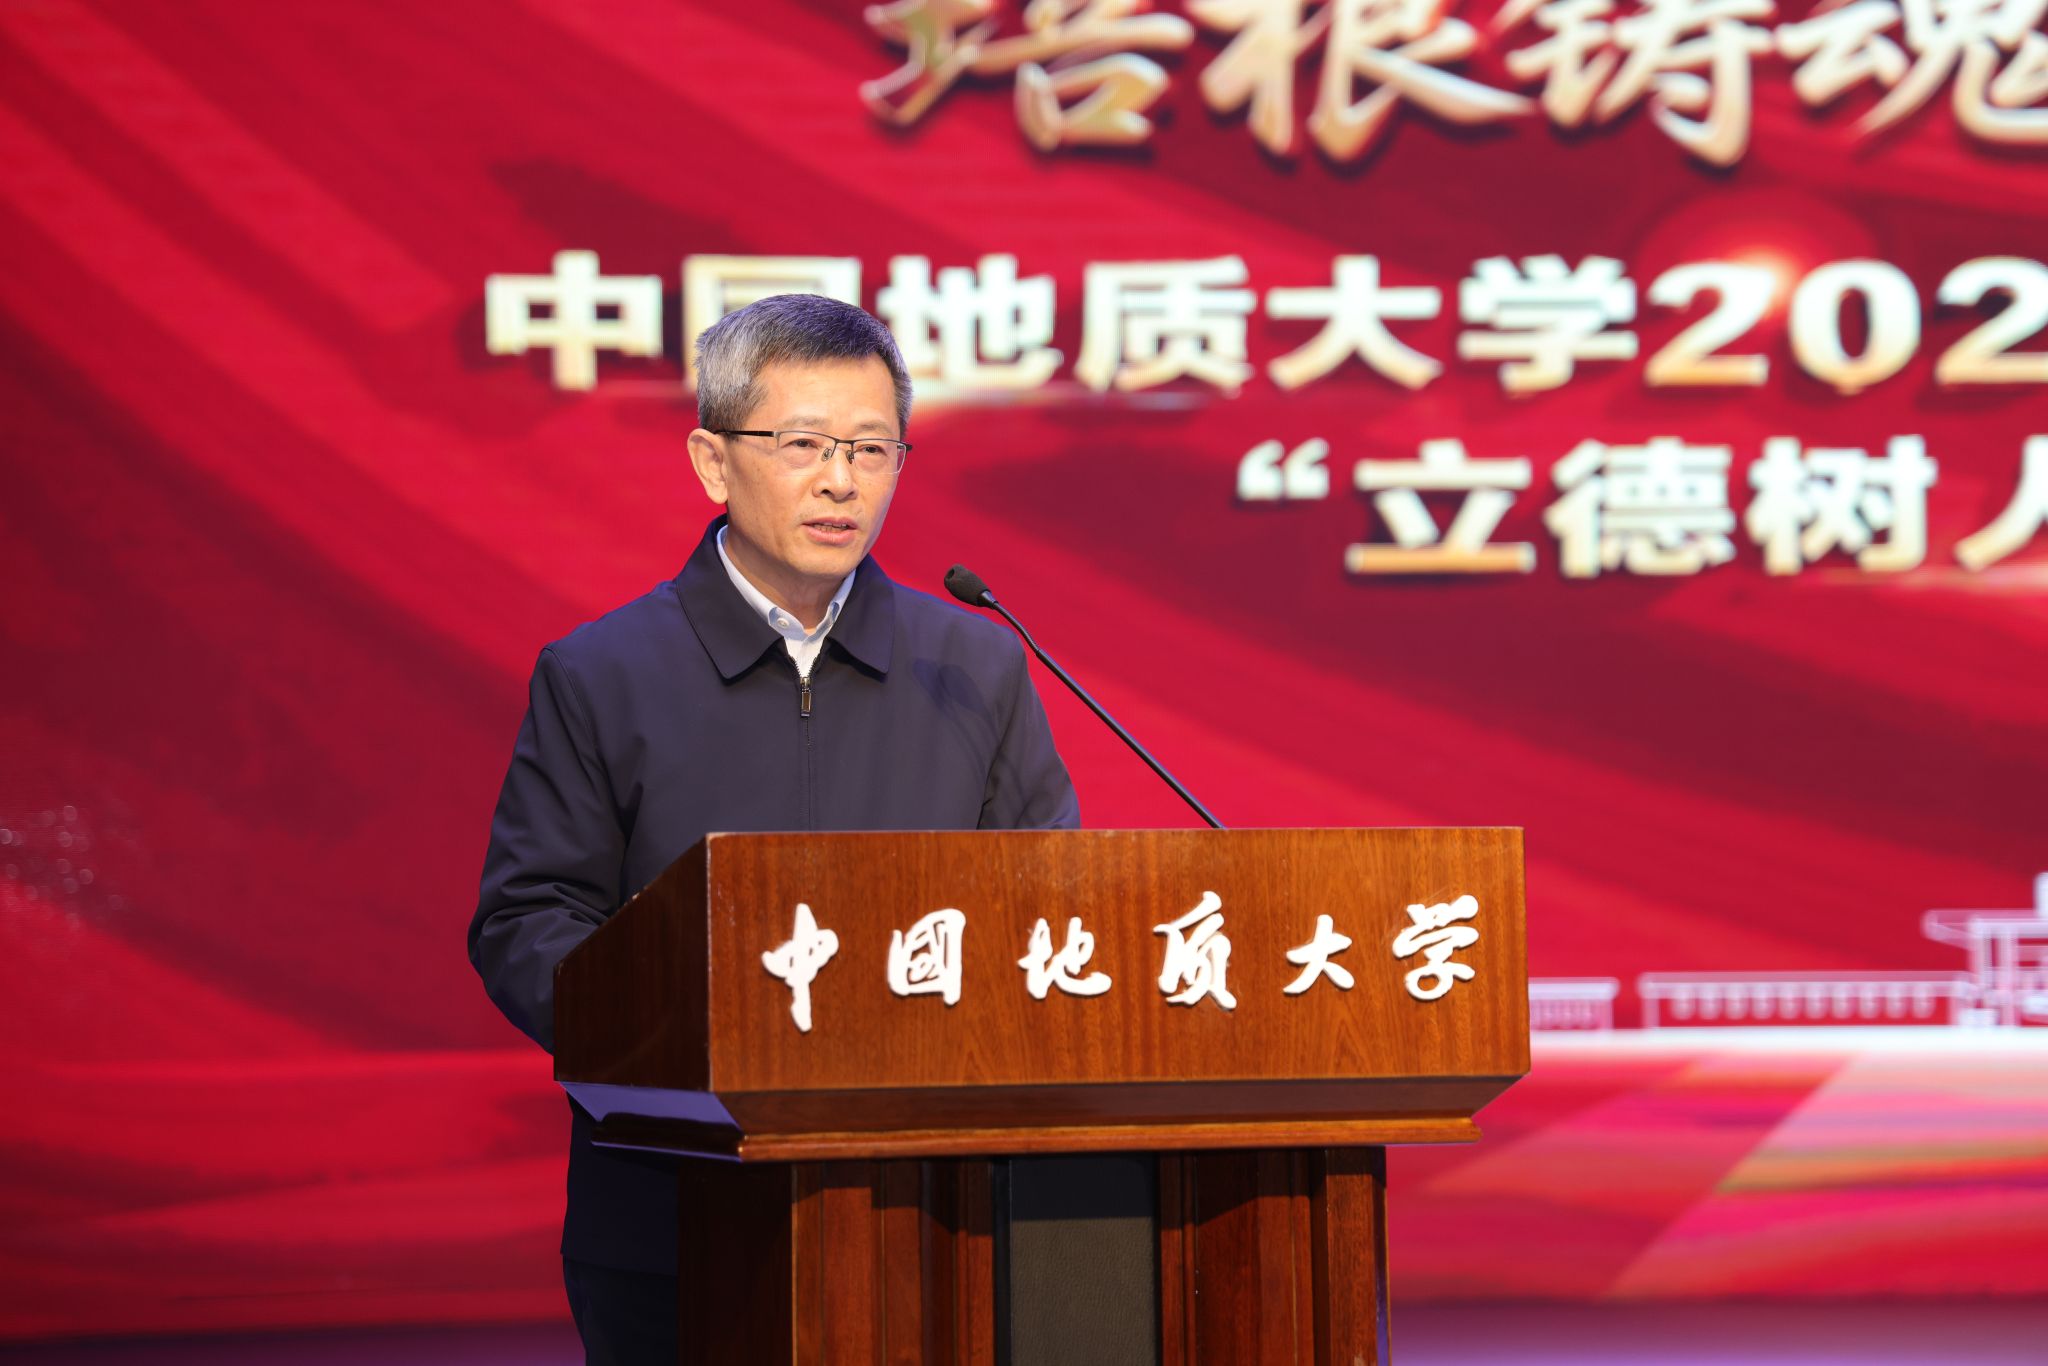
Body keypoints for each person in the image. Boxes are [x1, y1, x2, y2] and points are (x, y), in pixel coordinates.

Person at [467, 294, 1079, 1365]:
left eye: (871, 449)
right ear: (712, 461)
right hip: (672, 1211)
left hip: (935, 1213)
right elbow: (528, 922)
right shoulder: (602, 673)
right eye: (802, 444)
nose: (841, 480)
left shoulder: (972, 665)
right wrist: (682, 1033)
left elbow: (1051, 909)